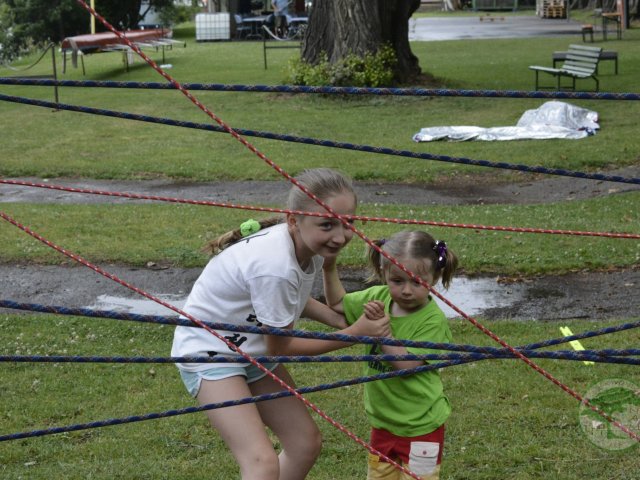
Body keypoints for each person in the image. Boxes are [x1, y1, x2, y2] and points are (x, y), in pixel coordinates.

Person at [171, 168, 391, 480]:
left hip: (251, 350)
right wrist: (354, 333)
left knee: (304, 443)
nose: (340, 236)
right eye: (327, 224)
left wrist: (336, 318)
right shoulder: (275, 266)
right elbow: (281, 348)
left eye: (348, 223)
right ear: (293, 220)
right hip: (210, 354)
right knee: (261, 462)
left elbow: (293, 299)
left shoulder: (307, 249)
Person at [323, 230, 459, 480]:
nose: (407, 290)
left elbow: (406, 364)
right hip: (383, 425)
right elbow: (338, 303)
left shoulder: (432, 320)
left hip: (422, 428)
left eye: (417, 282)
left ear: (434, 278)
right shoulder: (379, 297)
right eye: (397, 280)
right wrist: (328, 266)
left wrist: (380, 330)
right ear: (384, 274)